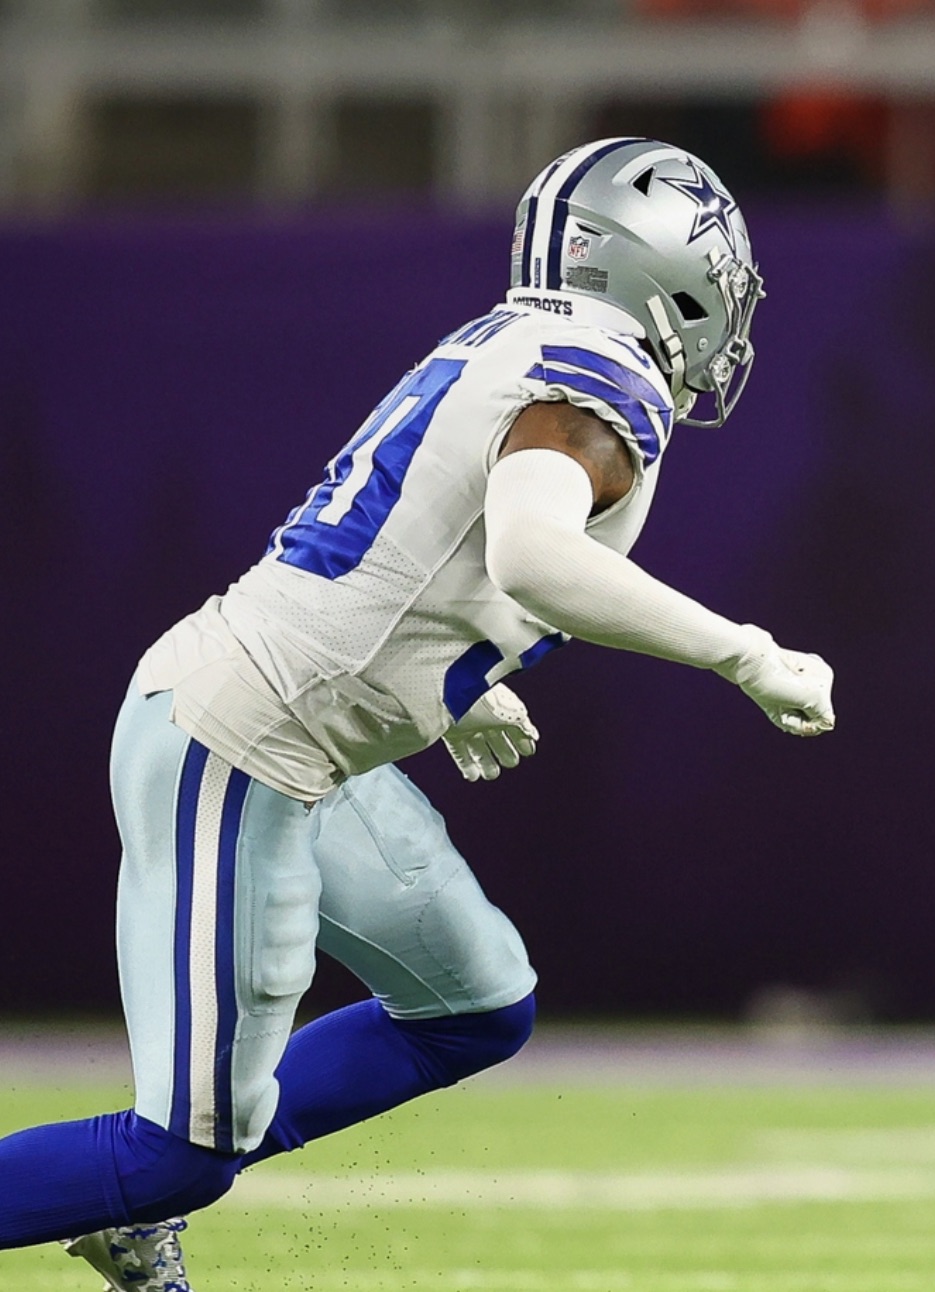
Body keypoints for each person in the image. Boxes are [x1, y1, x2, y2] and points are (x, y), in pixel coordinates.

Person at [0, 137, 834, 1292]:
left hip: (304, 740)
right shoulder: (602, 376)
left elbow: (405, 555)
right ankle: (150, 1176)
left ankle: (153, 1165)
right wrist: (741, 652)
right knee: (179, 1154)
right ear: (664, 271)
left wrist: (458, 683)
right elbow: (533, 553)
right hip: (240, 746)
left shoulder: (519, 338)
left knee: (473, 1007)